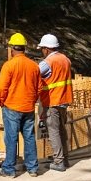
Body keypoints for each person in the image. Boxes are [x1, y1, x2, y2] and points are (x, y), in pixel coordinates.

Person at [0, 33, 42, 178]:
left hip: (12, 107)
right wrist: (32, 100)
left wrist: (1, 101)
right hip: (28, 108)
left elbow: (2, 87)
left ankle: (9, 169)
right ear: (24, 49)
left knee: (11, 138)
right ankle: (32, 168)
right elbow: (39, 88)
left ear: (11, 49)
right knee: (29, 137)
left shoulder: (9, 65)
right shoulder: (34, 66)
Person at [36, 34, 72, 172]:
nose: (42, 51)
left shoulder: (47, 62)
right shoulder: (66, 59)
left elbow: (35, 74)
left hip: (52, 101)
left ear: (46, 49)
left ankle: (58, 161)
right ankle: (65, 159)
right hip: (64, 99)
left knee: (53, 131)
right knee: (61, 130)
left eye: (42, 49)